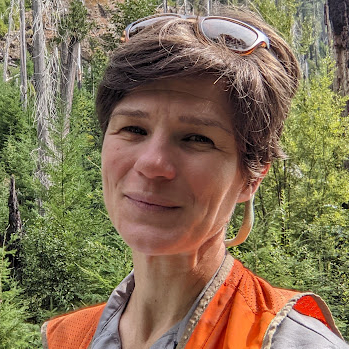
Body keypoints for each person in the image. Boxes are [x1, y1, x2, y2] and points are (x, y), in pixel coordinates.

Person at [41, 5, 349, 349]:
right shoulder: (69, 338)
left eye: (197, 138)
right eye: (133, 129)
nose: (152, 163)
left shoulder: (289, 342)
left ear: (252, 176)